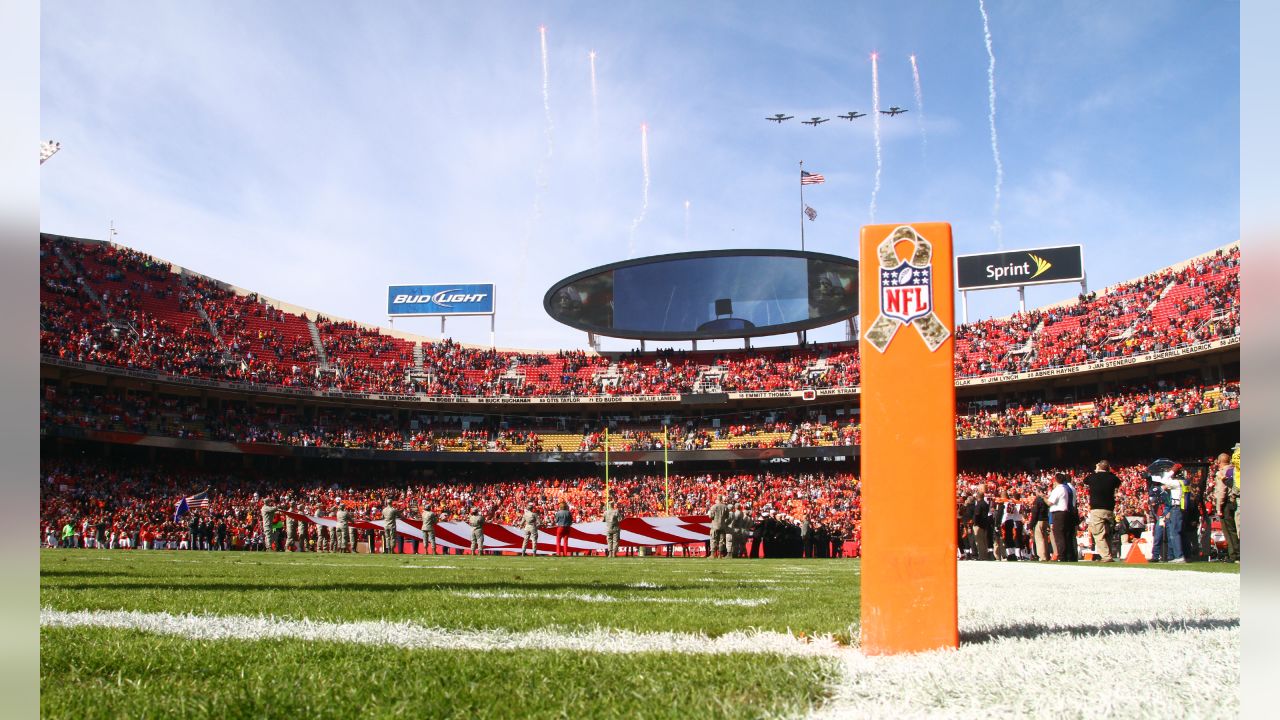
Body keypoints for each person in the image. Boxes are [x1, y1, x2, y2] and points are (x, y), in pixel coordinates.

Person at [1148, 458, 1187, 563]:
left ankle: (1177, 556)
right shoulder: (1184, 482)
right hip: (1173, 509)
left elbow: (1164, 479)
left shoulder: (1176, 483)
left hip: (1173, 509)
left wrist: (1172, 470)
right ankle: (1173, 556)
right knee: (1170, 534)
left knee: (1173, 533)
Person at [1082, 460, 1121, 562]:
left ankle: (1106, 556)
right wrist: (1107, 471)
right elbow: (1118, 482)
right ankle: (1109, 554)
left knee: (1098, 533)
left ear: (1099, 467)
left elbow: (1085, 480)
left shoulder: (1093, 477)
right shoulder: (1112, 478)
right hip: (1109, 509)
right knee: (1107, 533)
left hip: (1097, 509)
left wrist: (1096, 471)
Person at [1213, 450, 1240, 563]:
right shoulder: (1233, 469)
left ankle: (1234, 555)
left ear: (1219, 461)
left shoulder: (1222, 472)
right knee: (1234, 529)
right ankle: (1236, 554)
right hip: (1233, 501)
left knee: (1228, 531)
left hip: (1226, 503)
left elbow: (1221, 491)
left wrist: (1219, 508)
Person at [1047, 474, 1072, 562]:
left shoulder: (1058, 489)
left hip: (1058, 513)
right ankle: (1064, 555)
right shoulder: (1064, 488)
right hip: (1063, 512)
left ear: (1056, 480)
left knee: (1058, 535)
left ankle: (1062, 556)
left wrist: (1043, 496)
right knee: (1063, 535)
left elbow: (1049, 503)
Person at [972, 489, 992, 561]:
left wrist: (975, 523)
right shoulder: (985, 504)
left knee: (979, 541)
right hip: (984, 523)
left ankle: (982, 556)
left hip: (979, 524)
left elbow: (977, 514)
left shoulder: (979, 504)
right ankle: (985, 556)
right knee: (984, 541)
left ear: (978, 496)